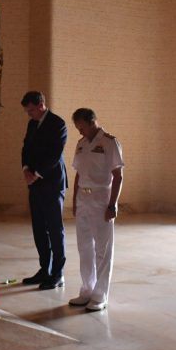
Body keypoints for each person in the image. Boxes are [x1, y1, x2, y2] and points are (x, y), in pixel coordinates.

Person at [68, 108, 123, 312]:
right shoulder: (81, 144)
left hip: (101, 199)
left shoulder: (109, 142)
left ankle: (100, 295)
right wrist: (74, 200)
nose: (80, 132)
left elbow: (118, 176)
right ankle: (87, 290)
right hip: (83, 198)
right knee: (84, 247)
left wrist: (112, 204)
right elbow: (78, 174)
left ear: (92, 123)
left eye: (81, 127)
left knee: (103, 248)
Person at [20, 91, 68, 290]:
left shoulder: (58, 124)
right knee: (39, 229)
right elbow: (26, 148)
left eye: (31, 110)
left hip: (52, 183)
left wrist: (36, 173)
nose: (29, 115)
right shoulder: (32, 123)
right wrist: (25, 170)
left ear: (41, 105)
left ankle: (57, 273)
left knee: (55, 230)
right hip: (35, 183)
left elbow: (54, 154)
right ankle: (44, 269)